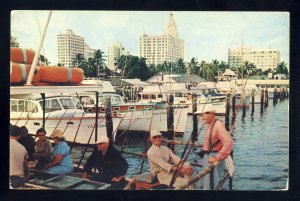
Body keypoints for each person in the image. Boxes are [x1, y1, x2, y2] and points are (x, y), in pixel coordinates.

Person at [197, 104, 233, 190]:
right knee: (206, 184)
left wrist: (217, 157)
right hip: (208, 157)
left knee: (210, 185)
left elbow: (228, 142)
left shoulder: (218, 125)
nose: (202, 118)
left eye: (203, 115)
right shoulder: (211, 124)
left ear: (211, 114)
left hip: (212, 158)